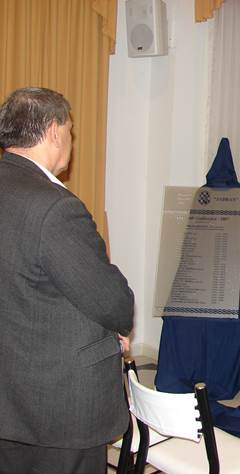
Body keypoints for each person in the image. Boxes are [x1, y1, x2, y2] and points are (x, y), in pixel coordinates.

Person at [0, 87, 134, 473]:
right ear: (54, 131)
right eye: (70, 130)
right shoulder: (55, 208)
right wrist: (112, 325)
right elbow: (112, 301)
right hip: (57, 408)